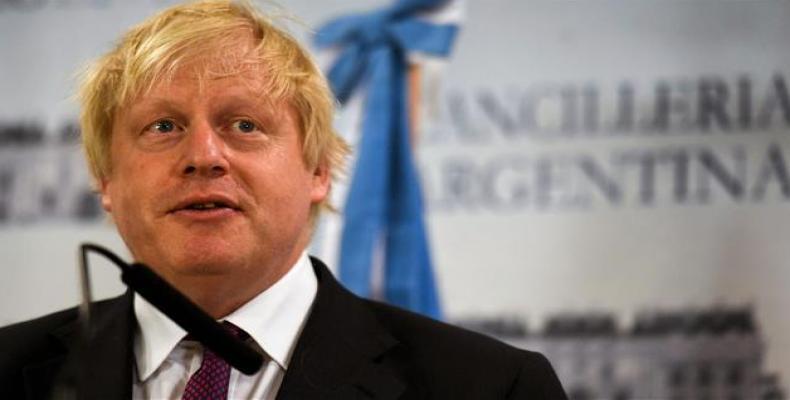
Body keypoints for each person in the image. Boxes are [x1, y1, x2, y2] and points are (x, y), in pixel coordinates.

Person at [0, 1, 567, 399]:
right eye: (163, 127)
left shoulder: (488, 388)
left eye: (243, 124)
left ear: (319, 169)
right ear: (105, 180)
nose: (204, 155)